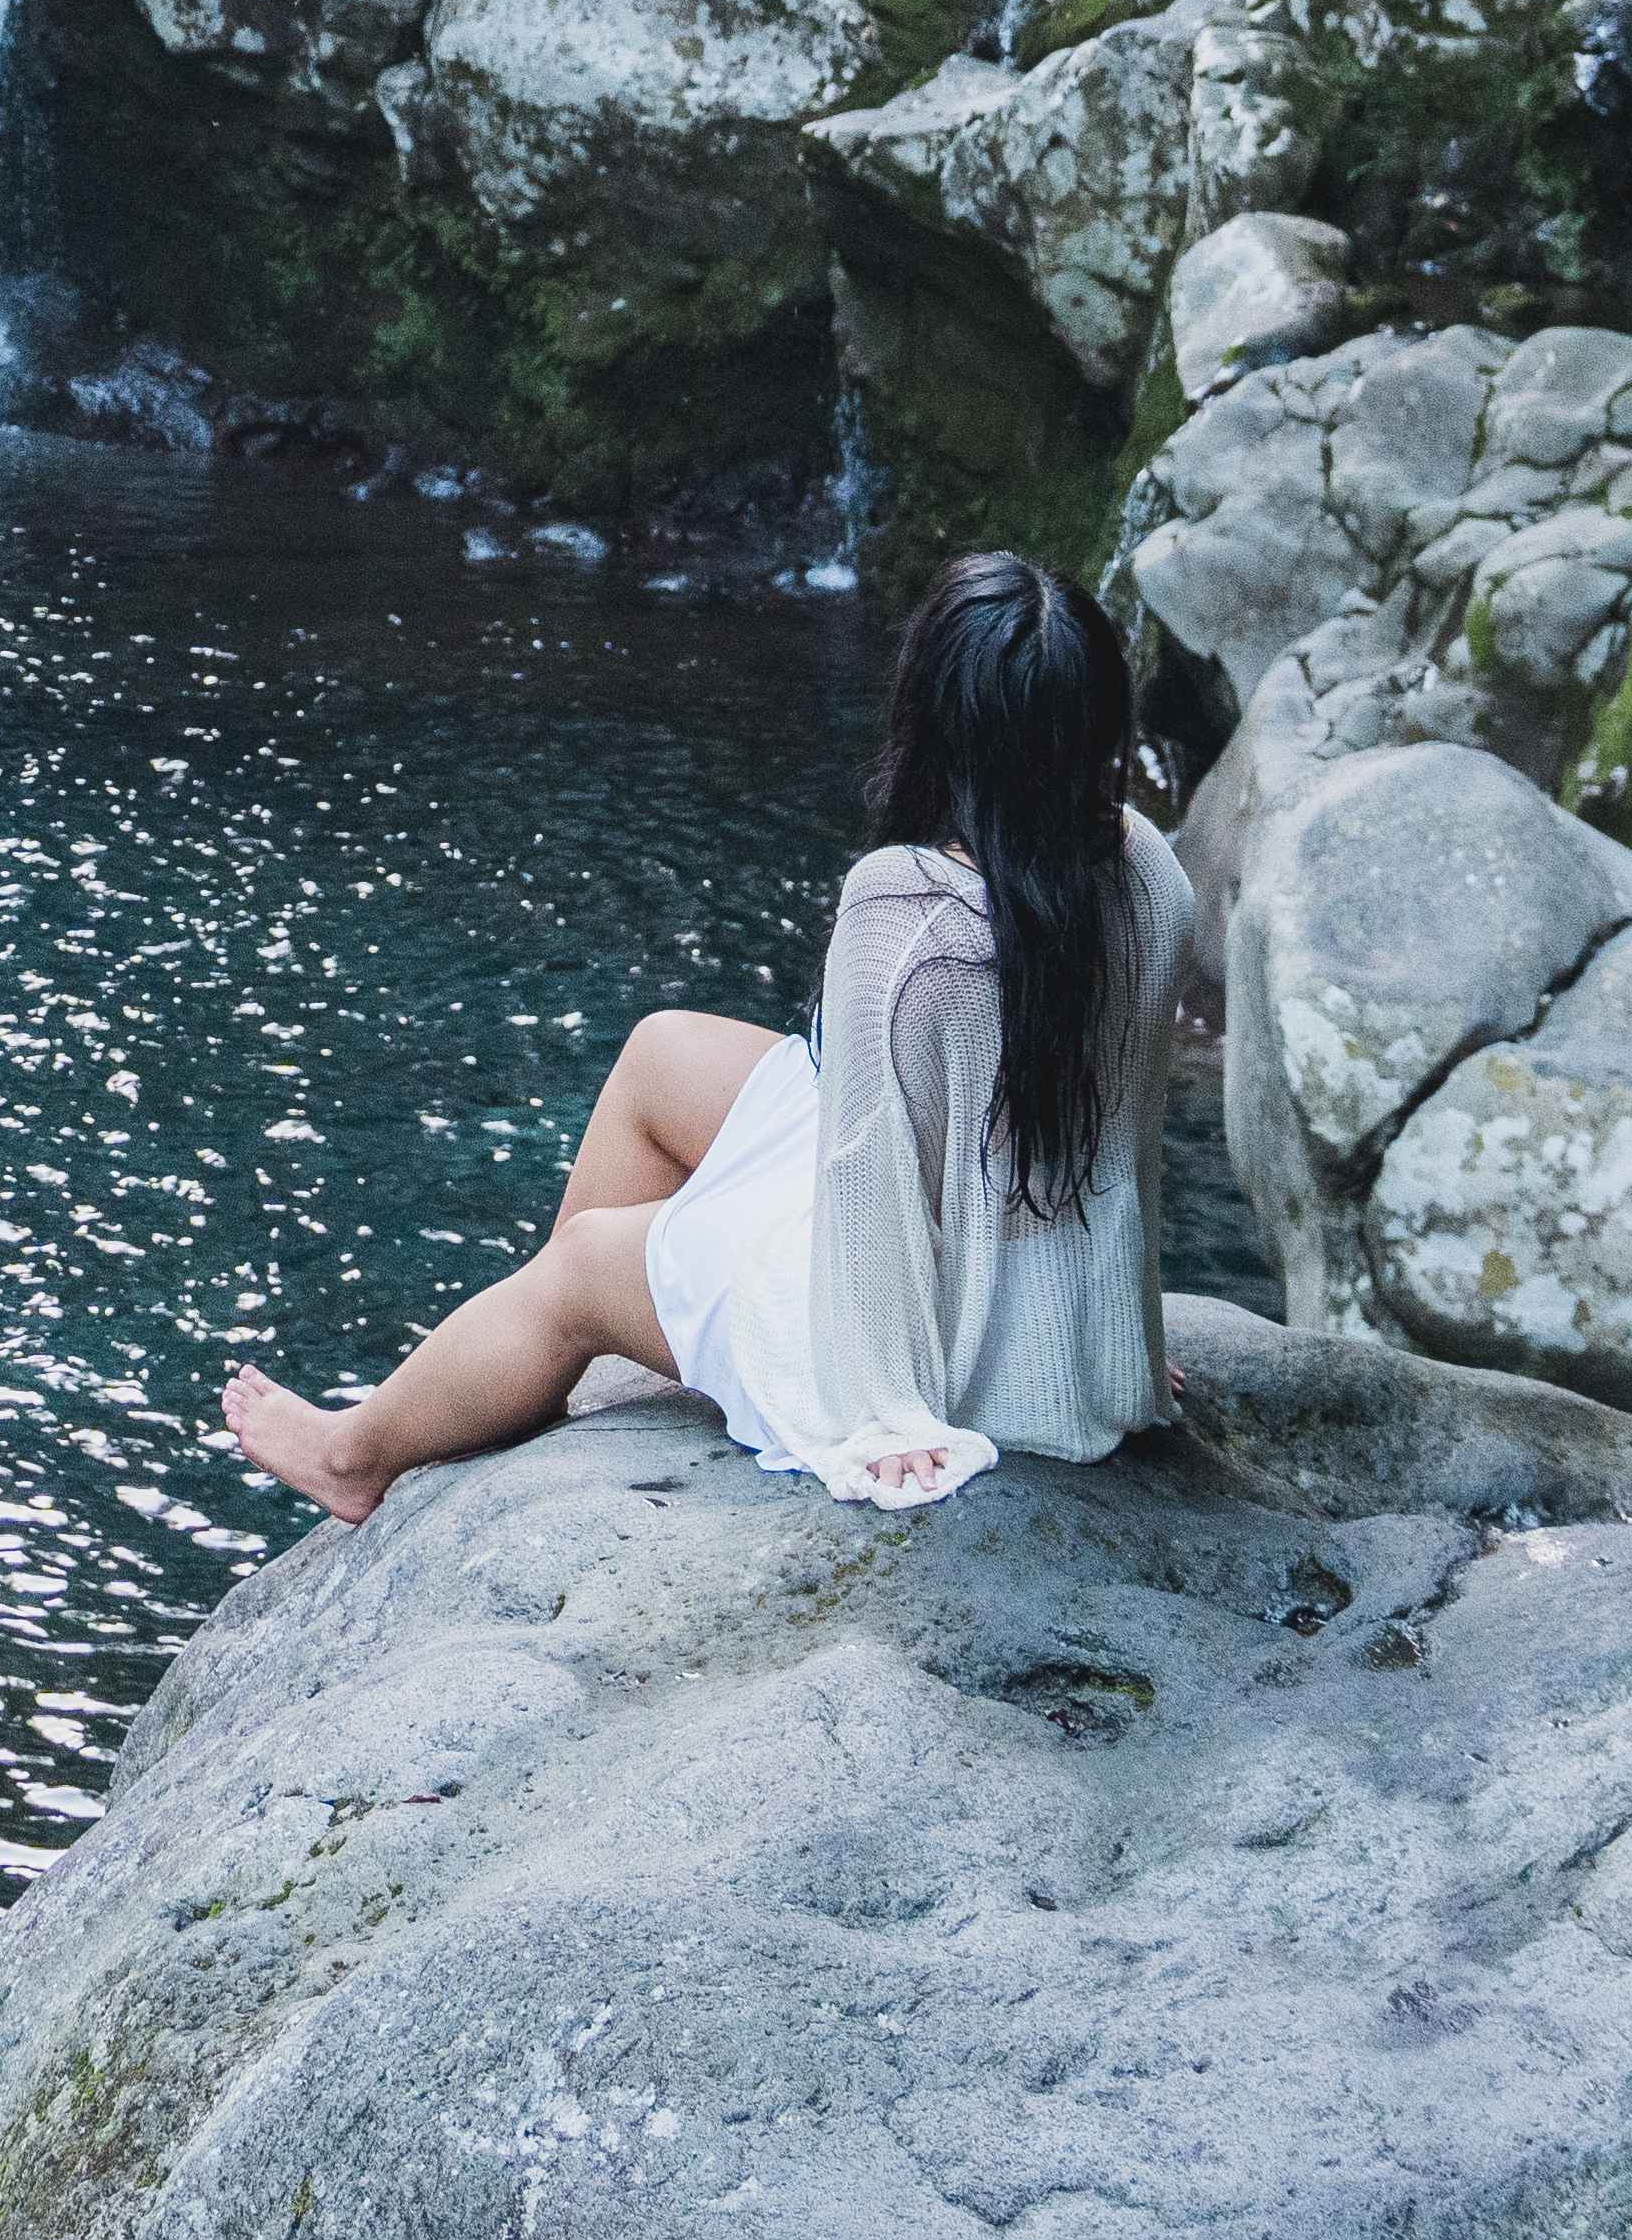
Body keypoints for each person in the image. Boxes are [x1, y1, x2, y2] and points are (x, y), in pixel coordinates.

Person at [220, 552, 1209, 1525]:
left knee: (582, 1261)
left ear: (938, 725)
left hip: (922, 1335)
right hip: (1006, 1265)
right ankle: (542, 1370)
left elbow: (869, 1185)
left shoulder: (906, 909)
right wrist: (1103, 1333)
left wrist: (882, 1414)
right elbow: (1122, 1137)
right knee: (660, 1052)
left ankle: (360, 1454)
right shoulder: (1146, 865)